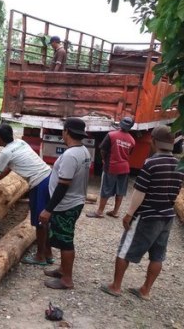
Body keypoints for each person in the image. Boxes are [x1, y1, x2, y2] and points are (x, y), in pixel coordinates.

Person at [100, 125, 183, 300]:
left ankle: (115, 286)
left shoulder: (151, 163)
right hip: (167, 216)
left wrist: (129, 213)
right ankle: (145, 290)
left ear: (153, 141)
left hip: (147, 215)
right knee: (158, 255)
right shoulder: (178, 165)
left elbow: (140, 191)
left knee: (125, 250)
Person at [0, 123, 54, 265]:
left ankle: (40, 257)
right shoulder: (20, 143)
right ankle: (48, 253)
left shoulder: (6, 152)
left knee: (40, 222)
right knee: (45, 220)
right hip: (49, 177)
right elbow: (8, 168)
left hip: (39, 183)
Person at [39, 117, 91, 290]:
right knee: (63, 239)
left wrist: (48, 209)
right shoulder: (83, 150)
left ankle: (67, 280)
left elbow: (63, 185)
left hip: (67, 204)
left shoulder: (70, 155)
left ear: (66, 131)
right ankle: (62, 269)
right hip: (74, 201)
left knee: (66, 241)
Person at [87, 117, 136, 219]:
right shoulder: (132, 140)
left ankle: (100, 212)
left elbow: (103, 150)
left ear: (120, 124)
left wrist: (104, 160)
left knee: (106, 189)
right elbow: (129, 154)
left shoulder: (111, 135)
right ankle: (115, 212)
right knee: (120, 190)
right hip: (124, 168)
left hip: (111, 167)